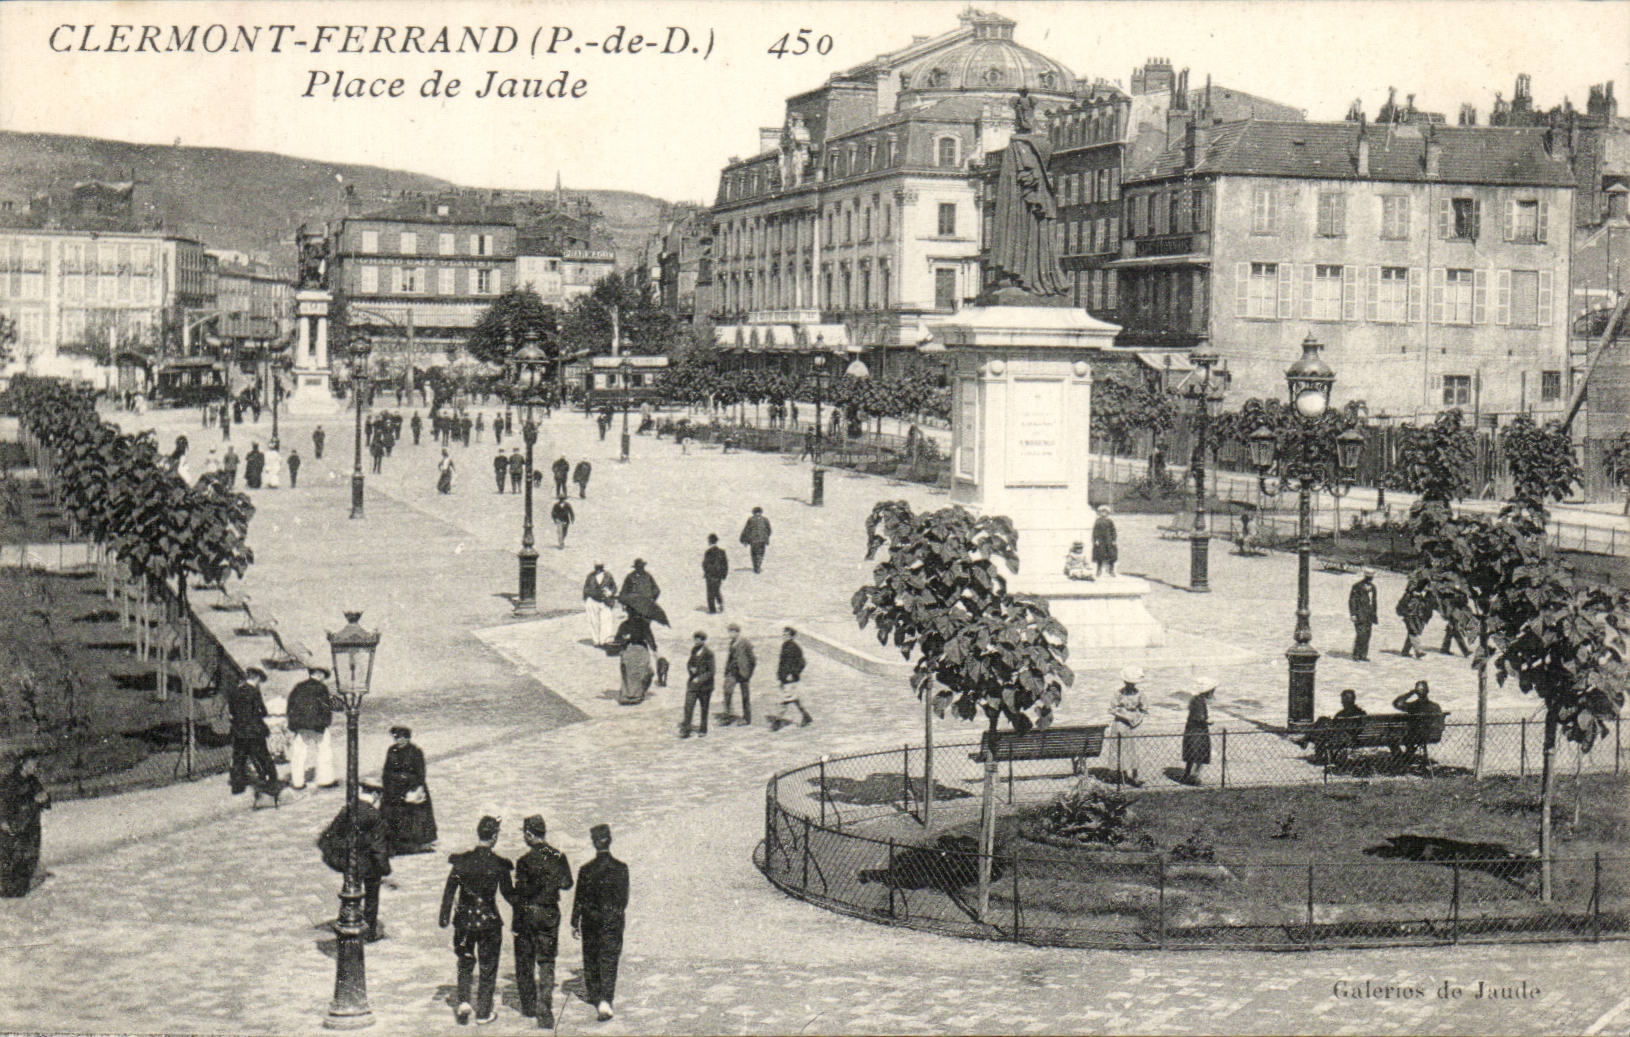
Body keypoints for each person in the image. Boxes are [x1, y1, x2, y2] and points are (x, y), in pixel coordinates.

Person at [440, 816, 514, 1026]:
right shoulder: (499, 864)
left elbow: (449, 890)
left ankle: (463, 1001)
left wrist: (445, 918)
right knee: (488, 966)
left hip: (464, 919)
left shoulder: (461, 862)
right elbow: (509, 894)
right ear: (494, 837)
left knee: (465, 960)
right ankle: (483, 1012)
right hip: (489, 920)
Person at [510, 815, 573, 1026]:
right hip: (549, 912)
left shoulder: (524, 861)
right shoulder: (557, 856)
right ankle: (545, 1009)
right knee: (546, 961)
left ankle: (528, 1007)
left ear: (529, 834)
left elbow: (520, 894)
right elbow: (567, 883)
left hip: (528, 913)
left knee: (525, 960)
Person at [572, 824, 629, 1023]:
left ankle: (596, 997)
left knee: (591, 958)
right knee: (609, 959)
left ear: (594, 843)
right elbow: (624, 900)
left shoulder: (586, 870)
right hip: (612, 920)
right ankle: (606, 999)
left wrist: (574, 921)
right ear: (609, 840)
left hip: (591, 921)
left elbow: (579, 898)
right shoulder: (621, 868)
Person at [382, 726, 438, 855]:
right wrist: (389, 784)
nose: (400, 741)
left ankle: (418, 841)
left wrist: (409, 781)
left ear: (408, 738)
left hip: (411, 787)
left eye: (403, 738)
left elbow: (420, 773)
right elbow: (387, 770)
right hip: (394, 788)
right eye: (397, 738)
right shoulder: (391, 751)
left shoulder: (415, 752)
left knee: (414, 815)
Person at [0, 753, 50, 897]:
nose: (34, 768)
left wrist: (45, 799)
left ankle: (22, 885)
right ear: (22, 764)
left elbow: (45, 800)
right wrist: (2, 821)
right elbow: (4, 802)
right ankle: (9, 889)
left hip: (31, 824)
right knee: (12, 857)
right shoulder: (10, 781)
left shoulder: (33, 781)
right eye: (32, 764)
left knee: (30, 855)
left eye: (35, 764)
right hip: (14, 825)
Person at [285, 665, 337, 792]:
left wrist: (293, 724)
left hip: (300, 725)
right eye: (323, 675)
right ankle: (325, 780)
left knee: (299, 753)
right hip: (318, 725)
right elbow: (325, 707)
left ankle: (298, 782)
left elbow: (290, 705)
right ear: (318, 674)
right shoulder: (321, 688)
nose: (324, 678)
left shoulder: (299, 686)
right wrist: (326, 720)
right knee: (324, 750)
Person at [228, 667, 278, 795]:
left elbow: (232, 711)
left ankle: (237, 787)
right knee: (263, 756)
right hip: (254, 731)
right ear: (257, 678)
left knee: (239, 758)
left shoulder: (235, 691)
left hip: (239, 731)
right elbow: (263, 711)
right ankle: (272, 783)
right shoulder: (254, 691)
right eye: (259, 681)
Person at [1389, 680, 1444, 766]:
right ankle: (1406, 759)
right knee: (1410, 738)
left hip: (1413, 736)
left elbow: (1396, 703)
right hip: (1432, 736)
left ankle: (1401, 760)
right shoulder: (1435, 706)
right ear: (1428, 691)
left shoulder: (1413, 706)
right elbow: (1441, 725)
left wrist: (1411, 693)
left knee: (1392, 739)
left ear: (1416, 692)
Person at [1108, 666, 1147, 785]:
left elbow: (1144, 708)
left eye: (1133, 683)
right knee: (1120, 748)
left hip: (1133, 724)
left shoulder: (1140, 694)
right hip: (1120, 722)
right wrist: (1125, 716)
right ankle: (1121, 774)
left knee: (1133, 750)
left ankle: (1135, 775)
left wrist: (1137, 718)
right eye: (1129, 683)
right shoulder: (1118, 693)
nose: (1131, 685)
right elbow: (1112, 709)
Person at [770, 626, 812, 730]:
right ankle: (806, 717)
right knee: (794, 699)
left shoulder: (794, 647)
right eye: (783, 634)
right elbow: (782, 663)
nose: (784, 636)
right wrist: (780, 675)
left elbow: (802, 663)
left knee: (785, 700)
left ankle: (777, 722)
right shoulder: (785, 645)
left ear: (792, 636)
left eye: (787, 635)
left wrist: (793, 674)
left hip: (790, 679)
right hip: (785, 678)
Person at [1181, 677, 1217, 785]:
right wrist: (1208, 721)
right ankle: (1193, 777)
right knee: (1199, 754)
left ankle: (1188, 775)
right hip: (1198, 731)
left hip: (1192, 730)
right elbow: (1200, 717)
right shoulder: (1200, 702)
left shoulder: (1195, 699)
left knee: (1192, 754)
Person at [719, 623, 756, 726]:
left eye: (732, 632)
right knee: (727, 692)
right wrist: (727, 671)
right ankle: (727, 717)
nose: (730, 634)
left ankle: (747, 719)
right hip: (732, 672)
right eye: (729, 632)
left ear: (737, 632)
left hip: (744, 673)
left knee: (745, 696)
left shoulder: (745, 642)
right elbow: (730, 658)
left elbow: (752, 659)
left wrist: (749, 673)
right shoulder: (731, 643)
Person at [681, 630, 715, 739]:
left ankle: (703, 729)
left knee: (704, 708)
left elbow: (712, 671)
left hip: (705, 687)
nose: (695, 641)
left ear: (703, 640)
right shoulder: (694, 650)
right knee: (688, 706)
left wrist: (700, 678)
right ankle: (686, 729)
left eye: (697, 639)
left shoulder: (709, 653)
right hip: (692, 685)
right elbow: (689, 663)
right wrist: (691, 669)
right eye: (694, 638)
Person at [615, 618, 655, 706]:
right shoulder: (644, 625)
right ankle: (636, 695)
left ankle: (626, 695)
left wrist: (625, 639)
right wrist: (655, 650)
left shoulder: (624, 624)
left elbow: (617, 639)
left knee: (627, 674)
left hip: (628, 649)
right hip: (641, 650)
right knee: (640, 674)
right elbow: (650, 640)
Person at [583, 563, 619, 646]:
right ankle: (596, 641)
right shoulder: (590, 576)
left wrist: (610, 592)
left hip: (605, 601)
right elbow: (586, 589)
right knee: (593, 621)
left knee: (606, 620)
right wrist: (587, 599)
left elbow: (614, 587)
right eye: (596, 567)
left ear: (602, 567)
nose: (598, 569)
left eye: (599, 567)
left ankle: (604, 640)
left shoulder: (608, 576)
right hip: (592, 601)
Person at [1348, 568, 1379, 662]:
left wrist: (1374, 614)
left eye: (1371, 577)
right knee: (1361, 634)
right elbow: (1352, 600)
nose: (1370, 579)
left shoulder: (1373, 587)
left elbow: (1374, 601)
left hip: (1369, 615)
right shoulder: (1357, 586)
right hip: (1359, 614)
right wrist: (1353, 613)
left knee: (1367, 635)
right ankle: (1356, 654)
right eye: (1368, 577)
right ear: (1365, 576)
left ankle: (1363, 655)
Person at [1396, 580, 1432, 659]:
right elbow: (1403, 604)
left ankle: (1405, 651)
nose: (1427, 588)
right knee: (1413, 632)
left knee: (1412, 633)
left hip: (1417, 617)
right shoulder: (1410, 595)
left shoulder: (1421, 596)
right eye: (1426, 586)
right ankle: (1418, 651)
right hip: (1409, 616)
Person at [739, 506, 772, 574]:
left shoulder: (751, 519)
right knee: (761, 553)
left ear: (753, 512)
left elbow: (746, 530)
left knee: (754, 553)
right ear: (761, 512)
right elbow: (769, 530)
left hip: (753, 540)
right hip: (762, 540)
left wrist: (743, 539)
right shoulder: (765, 519)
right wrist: (766, 536)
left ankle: (756, 566)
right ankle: (759, 565)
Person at [702, 533, 729, 613]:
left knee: (710, 592)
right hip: (719, 575)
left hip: (710, 575)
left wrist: (706, 571)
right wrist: (724, 574)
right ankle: (720, 603)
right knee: (716, 590)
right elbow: (725, 564)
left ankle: (712, 610)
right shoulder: (722, 552)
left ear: (710, 541)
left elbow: (705, 564)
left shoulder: (708, 552)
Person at [1092, 505, 1118, 578]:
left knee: (1111, 554)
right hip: (1101, 540)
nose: (1103, 513)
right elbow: (1095, 531)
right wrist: (1096, 539)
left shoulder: (1110, 521)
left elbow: (1113, 531)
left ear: (1107, 513)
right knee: (1100, 554)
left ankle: (1111, 569)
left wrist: (1114, 540)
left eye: (1105, 512)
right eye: (1101, 512)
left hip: (1109, 540)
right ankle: (1099, 569)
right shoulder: (1098, 521)